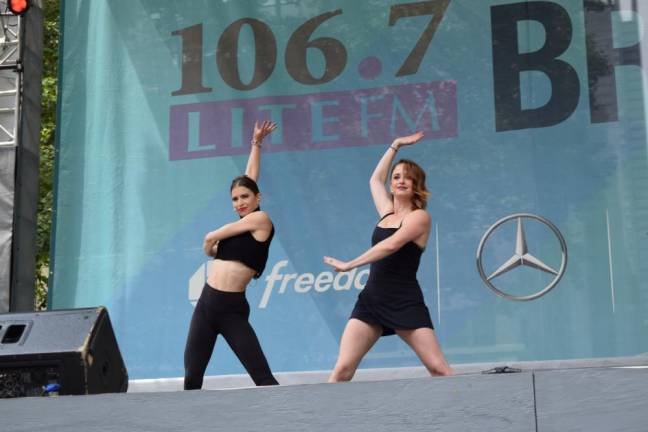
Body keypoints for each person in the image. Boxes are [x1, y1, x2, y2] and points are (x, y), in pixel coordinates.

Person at [324, 131, 453, 382]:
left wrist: (351, 264)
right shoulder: (386, 212)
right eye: (396, 177)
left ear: (417, 185)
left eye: (408, 178)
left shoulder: (419, 218)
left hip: (403, 300)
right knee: (341, 371)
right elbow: (374, 179)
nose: (400, 181)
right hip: (371, 300)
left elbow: (390, 245)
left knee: (439, 369)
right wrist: (395, 145)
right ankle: (325, 420)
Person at [184, 121, 279, 389]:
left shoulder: (261, 220)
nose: (240, 203)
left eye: (245, 197)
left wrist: (211, 238)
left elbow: (213, 239)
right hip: (205, 305)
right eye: (235, 199)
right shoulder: (238, 227)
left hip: (231, 309)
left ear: (258, 198)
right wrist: (256, 143)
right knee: (192, 378)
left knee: (263, 378)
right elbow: (249, 178)